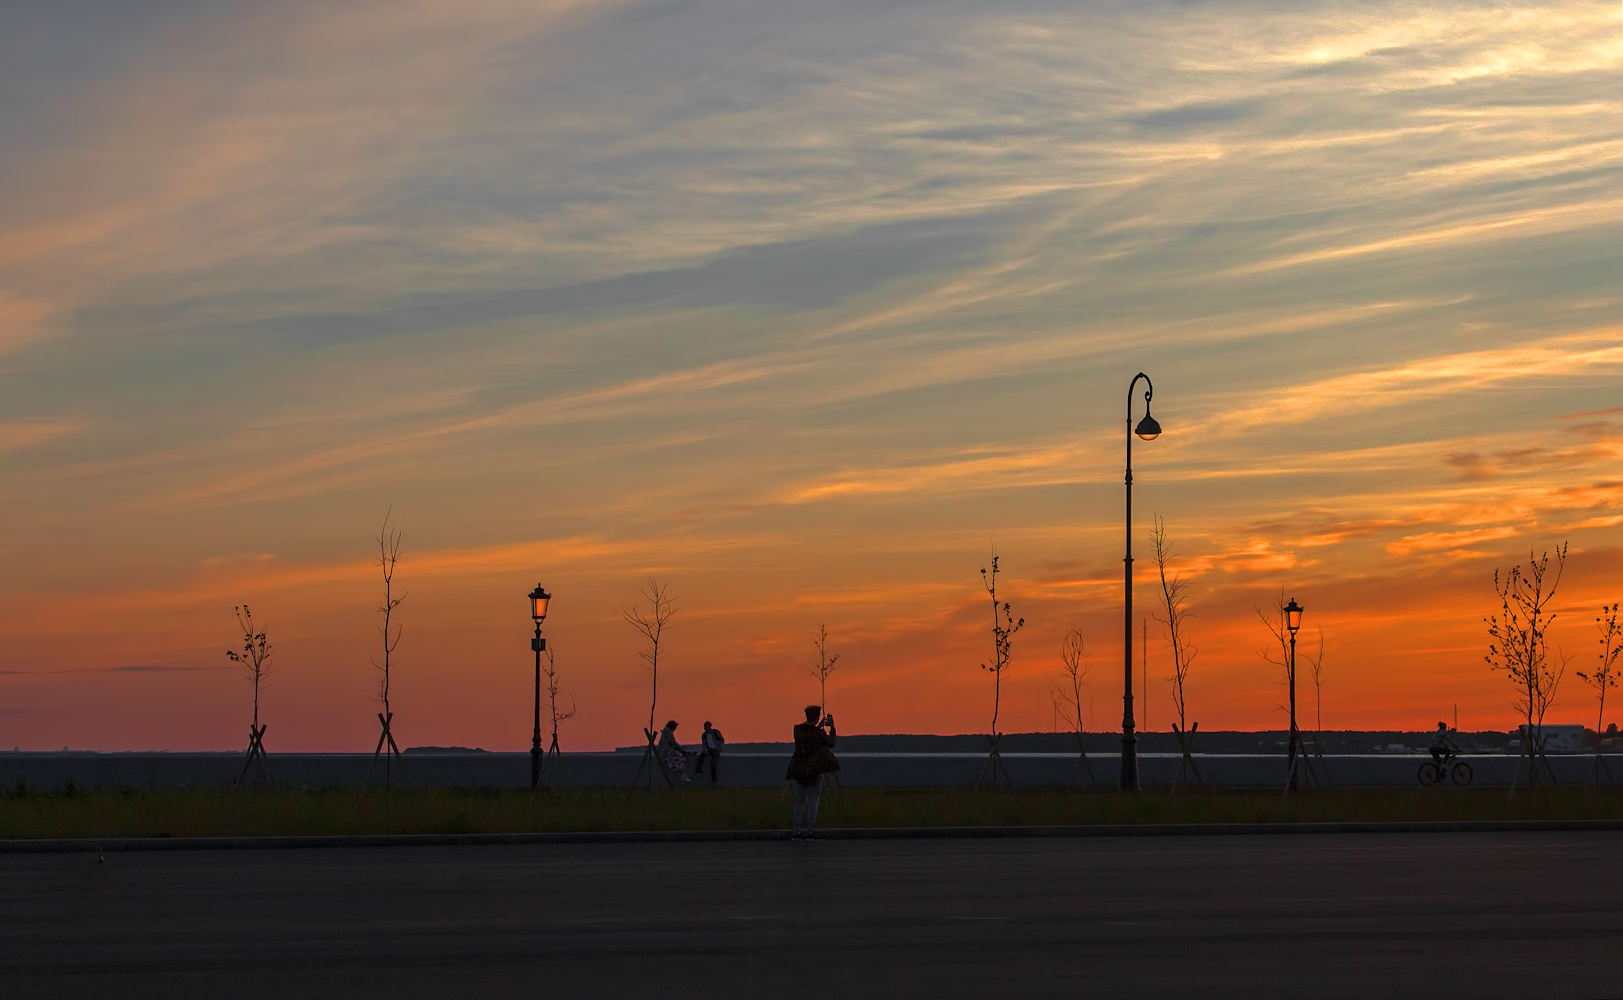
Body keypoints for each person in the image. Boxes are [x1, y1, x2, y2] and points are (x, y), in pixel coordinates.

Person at [786, 705, 838, 840]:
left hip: (799, 770)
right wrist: (831, 728)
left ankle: (796, 832)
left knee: (799, 801)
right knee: (813, 801)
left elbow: (809, 734)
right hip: (814, 770)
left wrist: (818, 727)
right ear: (817, 717)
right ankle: (809, 832)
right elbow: (830, 743)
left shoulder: (797, 730)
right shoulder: (818, 733)